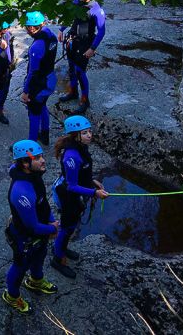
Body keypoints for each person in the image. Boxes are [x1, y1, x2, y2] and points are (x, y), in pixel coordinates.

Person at [3, 139, 60, 314]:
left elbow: (43, 205)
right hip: (24, 238)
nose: (43, 160)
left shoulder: (34, 177)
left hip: (40, 230)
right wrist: (53, 229)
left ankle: (35, 281)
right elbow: (32, 227)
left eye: (41, 156)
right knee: (20, 267)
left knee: (40, 256)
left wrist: (51, 221)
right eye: (37, 158)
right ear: (25, 163)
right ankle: (11, 296)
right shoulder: (22, 192)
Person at [49, 115, 109, 279]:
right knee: (67, 226)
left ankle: (62, 247)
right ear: (75, 135)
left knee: (71, 225)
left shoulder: (81, 148)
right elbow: (72, 185)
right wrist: (94, 193)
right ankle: (57, 258)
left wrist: (92, 182)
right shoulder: (71, 157)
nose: (89, 135)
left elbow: (82, 175)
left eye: (89, 131)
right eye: (84, 133)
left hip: (75, 193)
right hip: (67, 194)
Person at [58, 0, 106, 114]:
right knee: (71, 68)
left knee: (80, 71)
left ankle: (85, 101)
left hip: (86, 42)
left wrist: (92, 48)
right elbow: (69, 16)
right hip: (73, 40)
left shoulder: (96, 10)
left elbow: (101, 31)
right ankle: (73, 92)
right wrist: (61, 30)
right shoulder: (76, 2)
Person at [21, 11, 58, 145]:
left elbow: (32, 72)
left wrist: (26, 91)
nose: (30, 30)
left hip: (39, 84)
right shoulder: (51, 35)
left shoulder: (36, 47)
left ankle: (31, 144)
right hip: (50, 78)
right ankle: (45, 136)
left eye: (30, 27)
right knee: (42, 106)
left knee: (33, 111)